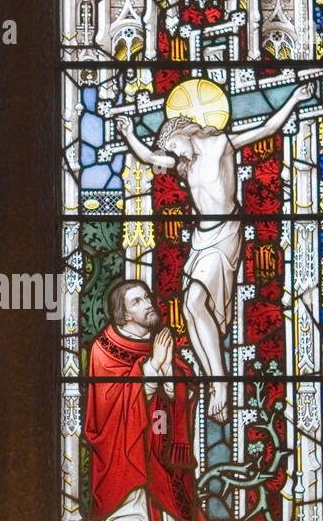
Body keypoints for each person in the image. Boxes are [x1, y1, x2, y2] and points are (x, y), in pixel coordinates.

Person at [116, 81, 312, 421]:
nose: (175, 156)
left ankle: (220, 384)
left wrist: (294, 98)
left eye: (174, 147)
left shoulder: (221, 142)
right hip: (201, 239)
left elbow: (267, 127)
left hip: (224, 233)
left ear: (182, 131)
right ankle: (212, 379)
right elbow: (148, 157)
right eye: (171, 152)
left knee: (194, 303)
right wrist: (129, 132)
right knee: (191, 310)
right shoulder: (186, 162)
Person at [64, 279, 251, 521]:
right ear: (123, 315)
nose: (148, 303)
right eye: (136, 302)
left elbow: (183, 387)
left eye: (147, 297)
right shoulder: (104, 350)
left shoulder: (157, 341)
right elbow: (106, 411)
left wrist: (166, 373)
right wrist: (150, 371)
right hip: (127, 468)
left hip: (162, 461)